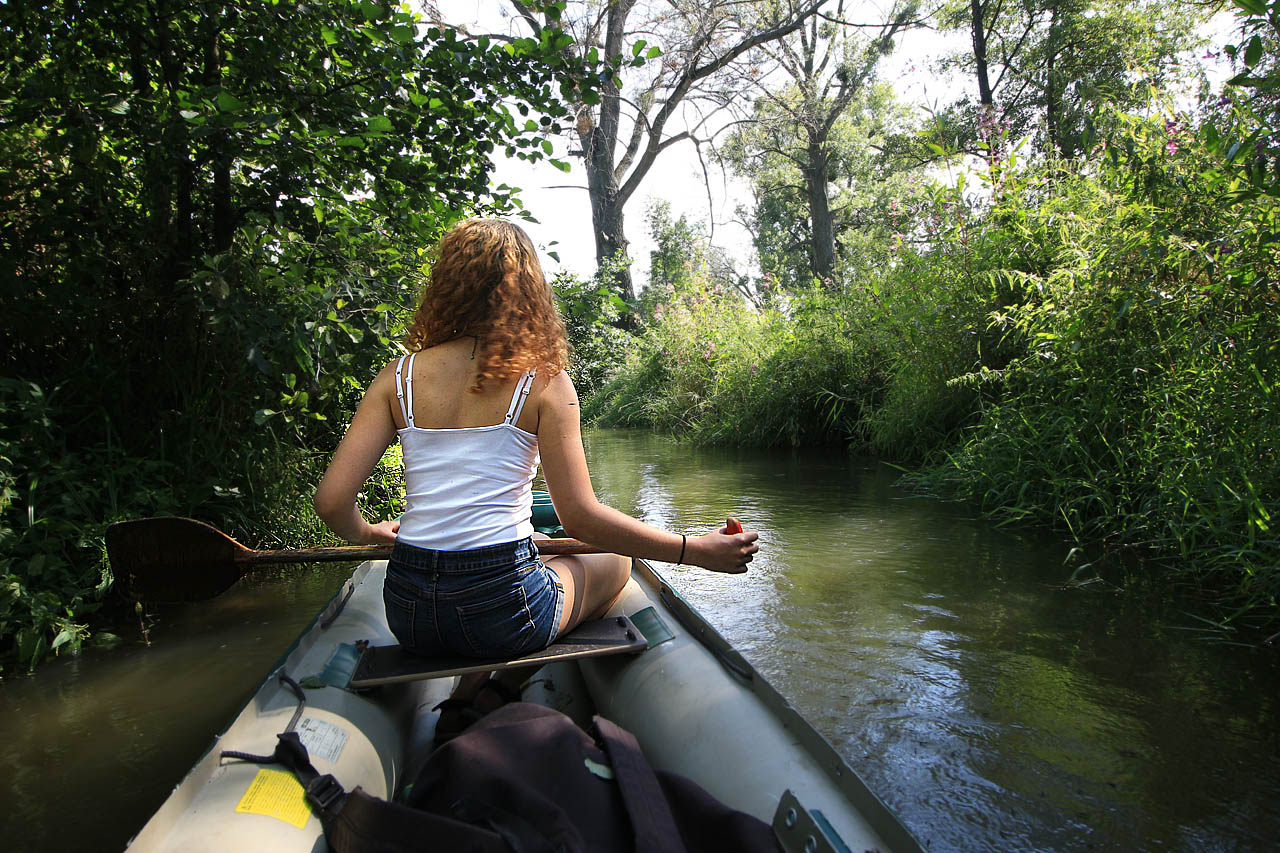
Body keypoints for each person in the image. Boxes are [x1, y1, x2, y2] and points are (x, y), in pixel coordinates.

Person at [313, 218, 759, 741]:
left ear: (447, 287)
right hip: (502, 610)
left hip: (409, 611)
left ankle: (463, 695)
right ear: (528, 291)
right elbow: (582, 518)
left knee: (540, 547)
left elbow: (331, 501)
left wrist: (368, 533)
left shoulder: (398, 376)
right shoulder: (545, 381)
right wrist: (692, 549)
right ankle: (498, 689)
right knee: (614, 560)